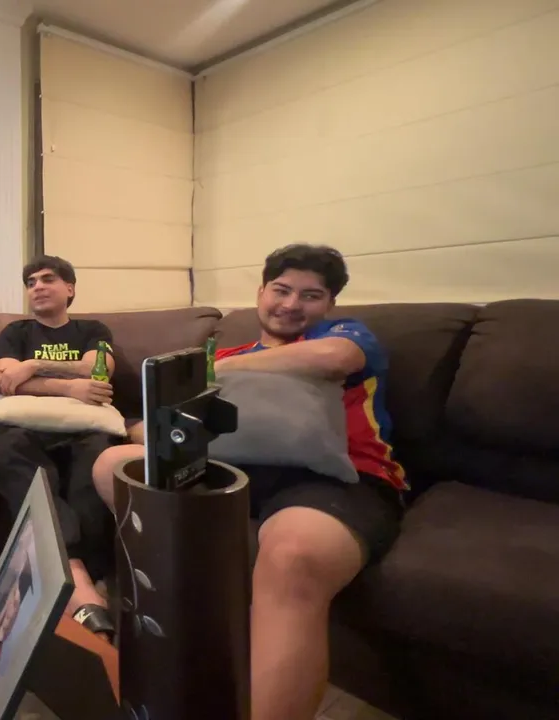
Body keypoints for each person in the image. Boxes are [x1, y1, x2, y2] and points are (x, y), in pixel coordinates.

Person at [92, 244, 407, 720]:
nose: (291, 304)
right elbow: (162, 428)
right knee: (113, 464)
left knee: (293, 554)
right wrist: (127, 422)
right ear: (261, 293)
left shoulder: (345, 337)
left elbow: (333, 359)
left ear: (330, 304)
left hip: (339, 478)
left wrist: (213, 370)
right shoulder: (232, 352)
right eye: (281, 290)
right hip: (232, 469)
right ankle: (185, 615)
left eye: (310, 295)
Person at [0, 256, 119, 640]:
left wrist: (32, 367)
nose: (38, 287)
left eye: (48, 279)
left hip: (84, 428)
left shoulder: (92, 329)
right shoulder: (16, 332)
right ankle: (78, 574)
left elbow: (99, 370)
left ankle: (76, 576)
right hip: (27, 427)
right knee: (10, 453)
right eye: (31, 282)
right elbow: (4, 381)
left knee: (97, 460)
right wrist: (69, 386)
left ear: (70, 288)